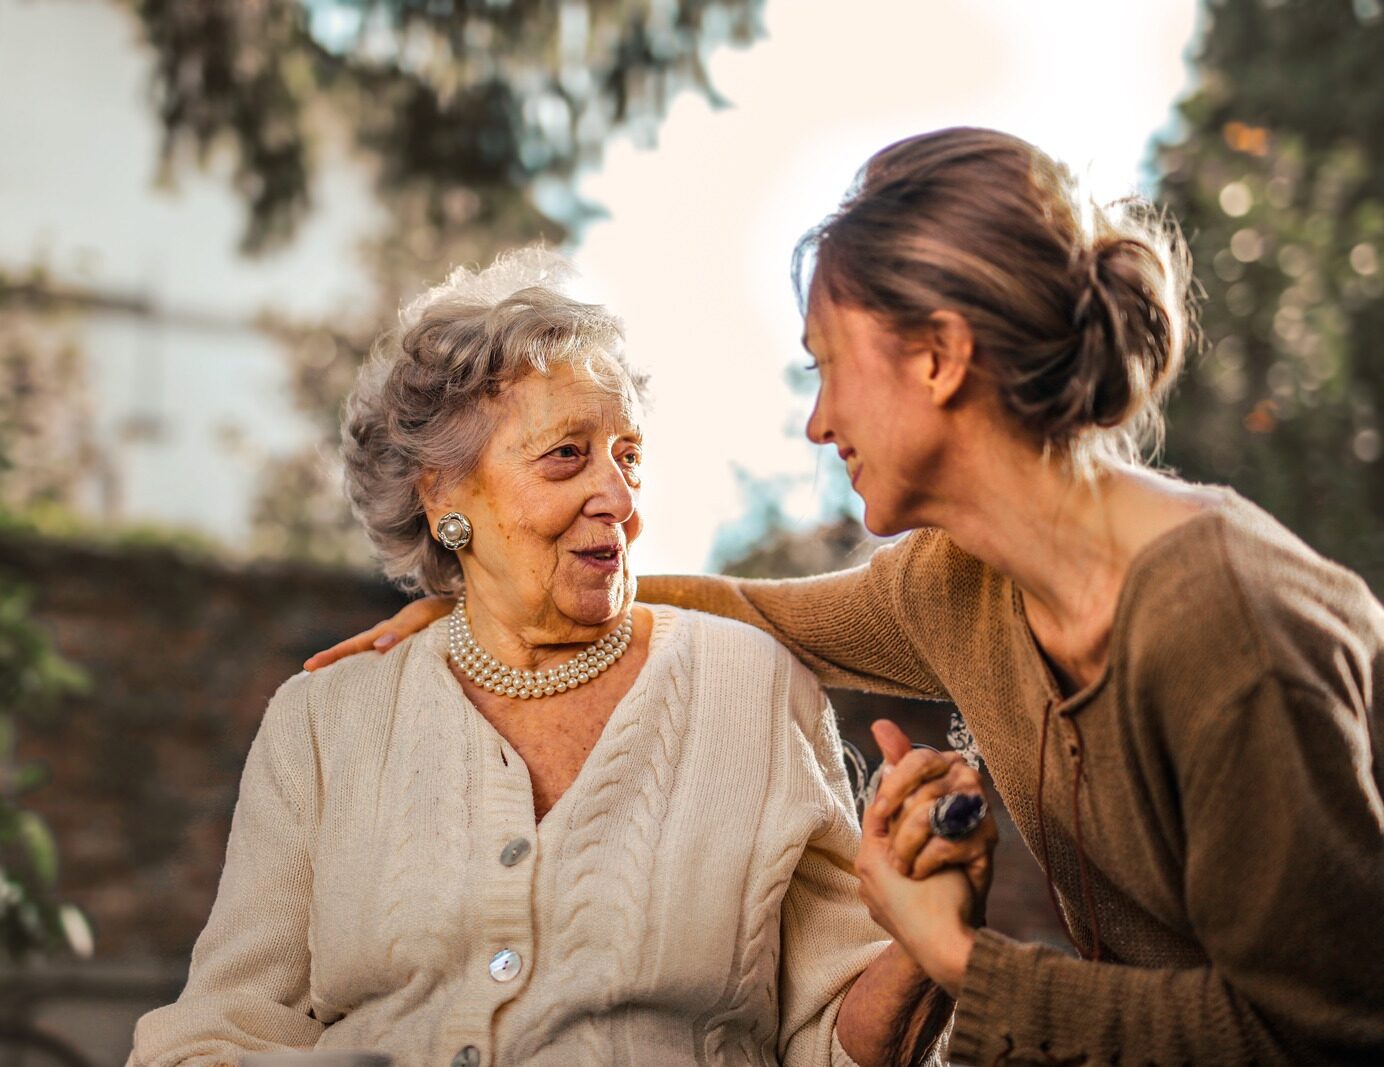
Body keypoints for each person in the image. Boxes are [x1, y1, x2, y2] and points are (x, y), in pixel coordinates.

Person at [312, 130, 1384, 1065]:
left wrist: (956, 955)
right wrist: (496, 605)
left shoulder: (1224, 624)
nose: (818, 422)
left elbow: (1319, 1030)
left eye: (829, 364)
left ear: (938, 357)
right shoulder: (959, 582)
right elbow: (758, 611)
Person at [129, 250, 956, 1067]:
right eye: (567, 454)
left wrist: (924, 945)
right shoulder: (323, 720)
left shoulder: (754, 689)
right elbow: (220, 1030)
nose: (622, 499)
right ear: (443, 492)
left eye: (628, 455)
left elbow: (834, 1041)